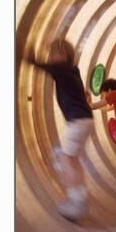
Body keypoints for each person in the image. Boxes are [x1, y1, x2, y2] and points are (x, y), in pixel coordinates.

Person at [29, 39, 93, 221]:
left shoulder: (62, 68)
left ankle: (76, 202)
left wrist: (28, 58)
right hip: (85, 120)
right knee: (73, 159)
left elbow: (47, 67)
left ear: (63, 55)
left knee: (65, 158)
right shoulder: (73, 71)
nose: (50, 57)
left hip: (78, 121)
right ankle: (80, 196)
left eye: (53, 53)